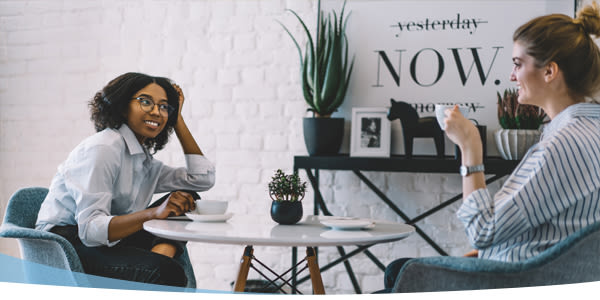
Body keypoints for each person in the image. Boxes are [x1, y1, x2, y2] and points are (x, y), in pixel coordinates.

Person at [383, 3, 600, 291]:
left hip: (515, 283)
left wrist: (470, 147)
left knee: (400, 273)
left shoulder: (566, 144)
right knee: (398, 272)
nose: (512, 76)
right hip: (540, 275)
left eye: (518, 64)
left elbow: (483, 231)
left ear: (549, 71)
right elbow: (558, 233)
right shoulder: (588, 133)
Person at [35, 72, 216, 287]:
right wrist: (154, 213)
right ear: (122, 106)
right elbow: (91, 230)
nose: (157, 112)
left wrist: (178, 121)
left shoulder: (142, 158)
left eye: (164, 106)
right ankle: (153, 278)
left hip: (108, 240)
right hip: (66, 243)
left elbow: (201, 179)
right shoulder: (102, 148)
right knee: (167, 273)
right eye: (146, 102)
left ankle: (151, 277)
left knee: (188, 198)